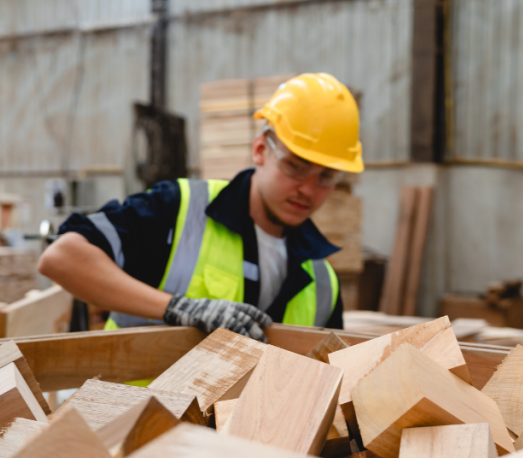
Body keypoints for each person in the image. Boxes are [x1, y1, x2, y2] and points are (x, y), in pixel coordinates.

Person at [39, 73, 364, 342]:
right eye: (295, 167)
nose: (308, 189)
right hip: (136, 417)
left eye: (325, 176)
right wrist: (179, 309)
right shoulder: (180, 211)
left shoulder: (323, 283)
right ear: (261, 149)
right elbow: (61, 258)